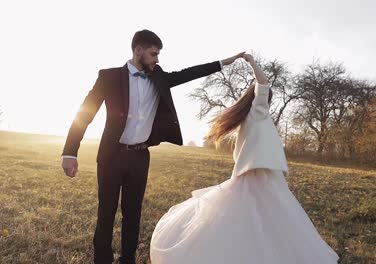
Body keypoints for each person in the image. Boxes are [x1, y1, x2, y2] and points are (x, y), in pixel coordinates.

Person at [61, 29, 244, 264]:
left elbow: (190, 73)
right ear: (138, 50)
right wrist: (69, 152)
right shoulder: (108, 77)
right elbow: (83, 115)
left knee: (133, 215)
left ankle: (128, 259)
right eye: (153, 54)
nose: (157, 59)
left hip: (140, 157)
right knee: (105, 214)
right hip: (111, 156)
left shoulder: (158, 77)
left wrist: (224, 62)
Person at [149, 53, 340, 263]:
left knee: (259, 218)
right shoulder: (258, 112)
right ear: (261, 99)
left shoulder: (252, 116)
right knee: (271, 217)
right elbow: (263, 83)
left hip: (257, 173)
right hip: (258, 175)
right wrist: (250, 60)